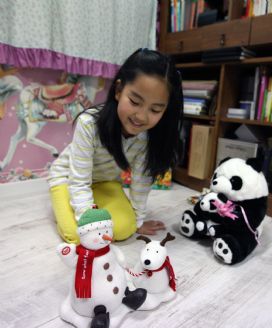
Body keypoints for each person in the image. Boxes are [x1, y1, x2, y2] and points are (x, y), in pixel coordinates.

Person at [48, 48, 183, 244]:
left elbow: (141, 182)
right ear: (119, 90)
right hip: (67, 179)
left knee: (125, 228)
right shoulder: (88, 124)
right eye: (135, 101)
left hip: (105, 182)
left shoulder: (146, 138)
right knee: (77, 235)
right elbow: (78, 181)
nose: (141, 116)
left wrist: (138, 222)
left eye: (155, 109)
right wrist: (90, 223)